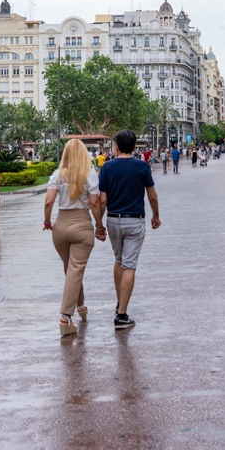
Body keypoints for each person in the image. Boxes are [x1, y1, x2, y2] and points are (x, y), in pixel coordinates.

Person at [99, 129, 161, 330]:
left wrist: (98, 224)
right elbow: (152, 196)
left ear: (116, 146)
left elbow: (102, 199)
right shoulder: (142, 166)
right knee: (129, 265)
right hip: (134, 221)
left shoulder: (107, 167)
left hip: (113, 220)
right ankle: (122, 315)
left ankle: (120, 303)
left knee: (119, 261)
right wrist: (156, 215)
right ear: (135, 147)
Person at [44, 139, 104, 336]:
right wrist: (99, 225)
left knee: (71, 269)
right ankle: (65, 316)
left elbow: (49, 201)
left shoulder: (57, 175)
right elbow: (94, 204)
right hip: (81, 224)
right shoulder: (90, 175)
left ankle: (81, 306)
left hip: (60, 225)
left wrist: (47, 222)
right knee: (75, 269)